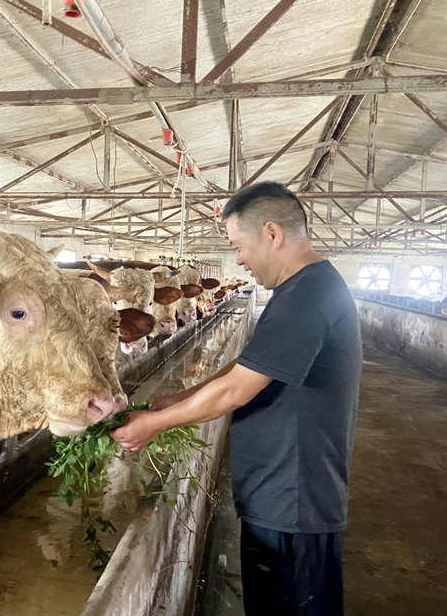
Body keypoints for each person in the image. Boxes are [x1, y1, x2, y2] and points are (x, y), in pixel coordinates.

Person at [111, 181, 362, 615]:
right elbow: (247, 366)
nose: (239, 259)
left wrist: (153, 425)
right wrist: (180, 398)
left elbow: (237, 389)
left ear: (272, 234)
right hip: (282, 494)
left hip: (293, 503)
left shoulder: (306, 298)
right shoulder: (300, 292)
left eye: (238, 245)